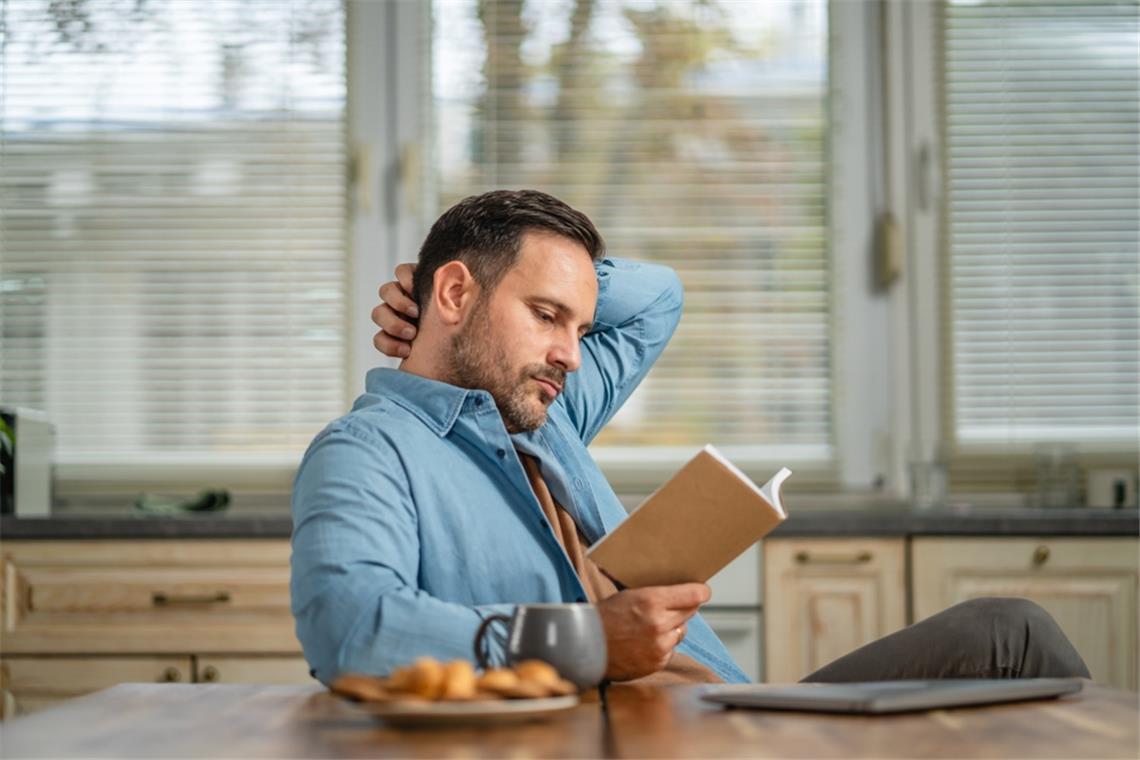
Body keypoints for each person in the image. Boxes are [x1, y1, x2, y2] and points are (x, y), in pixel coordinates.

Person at [291, 189, 1089, 686]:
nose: (572, 352)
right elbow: (351, 626)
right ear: (458, 294)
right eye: (545, 315)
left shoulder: (546, 407)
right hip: (665, 740)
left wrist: (554, 281)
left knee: (1009, 634)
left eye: (580, 326)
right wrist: (586, 640)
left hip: (745, 715)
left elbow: (659, 297)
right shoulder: (368, 452)